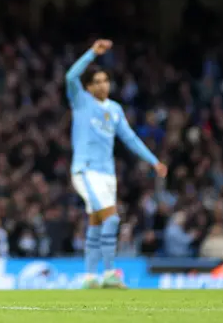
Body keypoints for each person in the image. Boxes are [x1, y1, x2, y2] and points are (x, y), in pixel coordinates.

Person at [65, 39, 167, 289]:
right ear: (87, 88)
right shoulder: (81, 101)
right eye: (96, 82)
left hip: (108, 174)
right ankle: (110, 273)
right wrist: (91, 53)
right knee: (111, 219)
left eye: (105, 81)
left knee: (98, 221)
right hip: (85, 169)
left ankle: (90, 277)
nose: (102, 85)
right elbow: (70, 76)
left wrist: (153, 161)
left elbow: (130, 138)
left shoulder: (115, 109)